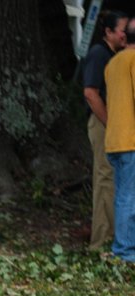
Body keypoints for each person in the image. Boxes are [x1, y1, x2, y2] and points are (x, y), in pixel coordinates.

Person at [83, 10, 128, 251]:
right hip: (101, 124)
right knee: (104, 179)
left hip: (109, 124)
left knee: (110, 179)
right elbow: (91, 93)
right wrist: (111, 124)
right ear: (108, 32)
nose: (125, 34)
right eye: (122, 29)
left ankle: (109, 237)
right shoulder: (99, 54)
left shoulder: (114, 55)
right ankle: (100, 242)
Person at [104, 19, 135, 262]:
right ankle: (124, 251)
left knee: (123, 195)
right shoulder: (133, 60)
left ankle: (124, 247)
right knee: (128, 198)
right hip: (131, 140)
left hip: (115, 138)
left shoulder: (113, 62)